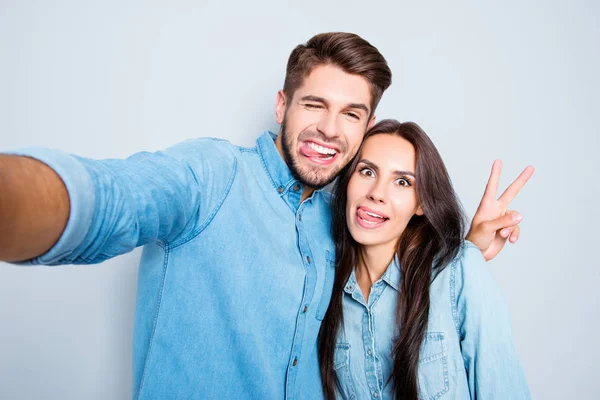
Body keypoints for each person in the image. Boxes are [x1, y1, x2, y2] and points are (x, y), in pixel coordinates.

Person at [0, 33, 530, 399]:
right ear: (281, 105)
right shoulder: (212, 175)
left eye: (351, 114)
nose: (329, 128)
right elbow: (111, 197)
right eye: (313, 104)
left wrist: (463, 252)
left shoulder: (345, 222)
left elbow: (400, 291)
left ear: (366, 125)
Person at [318, 120, 532, 399]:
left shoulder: (460, 273)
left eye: (402, 182)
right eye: (367, 171)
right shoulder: (323, 286)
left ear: (421, 203)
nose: (377, 193)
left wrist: (466, 259)